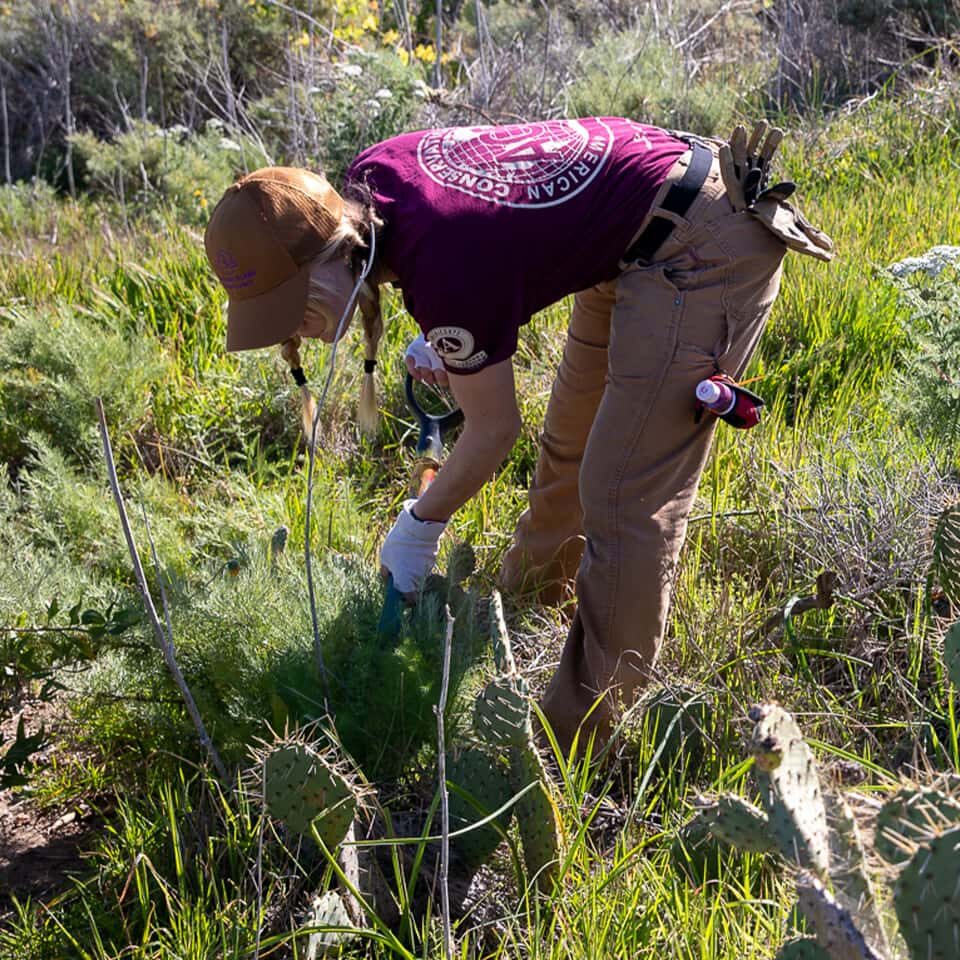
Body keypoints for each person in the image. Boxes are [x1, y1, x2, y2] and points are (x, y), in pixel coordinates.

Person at [203, 117, 833, 752]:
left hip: (703, 243)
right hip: (635, 231)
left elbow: (493, 431)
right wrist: (445, 326)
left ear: (333, 248)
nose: (300, 330)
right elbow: (491, 217)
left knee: (623, 497)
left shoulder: (442, 267)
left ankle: (578, 740)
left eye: (299, 306)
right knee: (571, 448)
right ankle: (530, 606)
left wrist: (419, 527)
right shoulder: (372, 181)